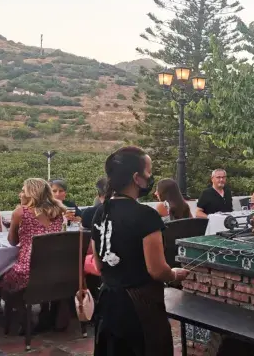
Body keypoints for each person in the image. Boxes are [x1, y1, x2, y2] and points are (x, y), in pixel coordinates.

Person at [91, 146, 189, 355]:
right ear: (137, 178)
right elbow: (157, 270)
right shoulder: (146, 215)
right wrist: (173, 274)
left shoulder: (100, 212)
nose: (150, 176)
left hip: (108, 303)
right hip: (139, 309)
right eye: (148, 171)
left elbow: (99, 264)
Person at [1, 178, 67, 333]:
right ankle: (45, 311)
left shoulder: (20, 212)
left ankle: (25, 319)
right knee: (39, 274)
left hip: (29, 270)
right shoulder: (58, 210)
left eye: (23, 190)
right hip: (54, 268)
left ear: (32, 193)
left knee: (3, 283)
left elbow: (12, 242)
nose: (20, 193)